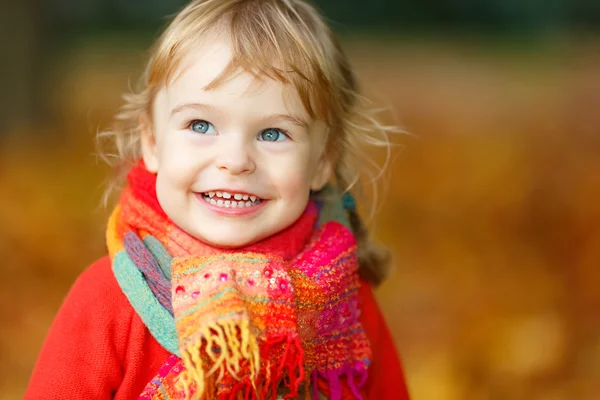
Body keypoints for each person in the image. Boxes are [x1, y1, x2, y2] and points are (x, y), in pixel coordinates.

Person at [26, 0, 410, 398]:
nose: (235, 161)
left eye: (273, 133)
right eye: (201, 124)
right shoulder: (108, 300)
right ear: (153, 142)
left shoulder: (344, 303)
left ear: (321, 162)